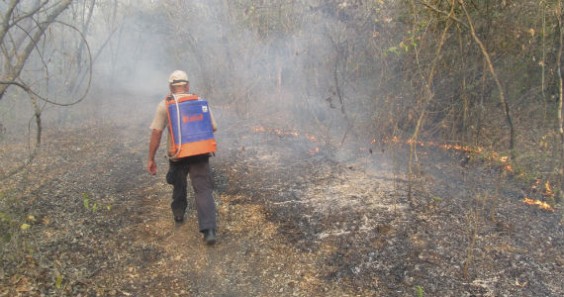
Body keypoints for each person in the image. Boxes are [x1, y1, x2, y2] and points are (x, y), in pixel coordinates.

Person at [147, 70, 218, 245]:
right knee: (203, 189)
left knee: (178, 183)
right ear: (187, 85)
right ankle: (209, 230)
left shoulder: (165, 104)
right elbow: (213, 127)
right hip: (200, 152)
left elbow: (156, 132)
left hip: (177, 153)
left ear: (171, 87)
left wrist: (151, 158)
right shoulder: (199, 101)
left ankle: (179, 213)